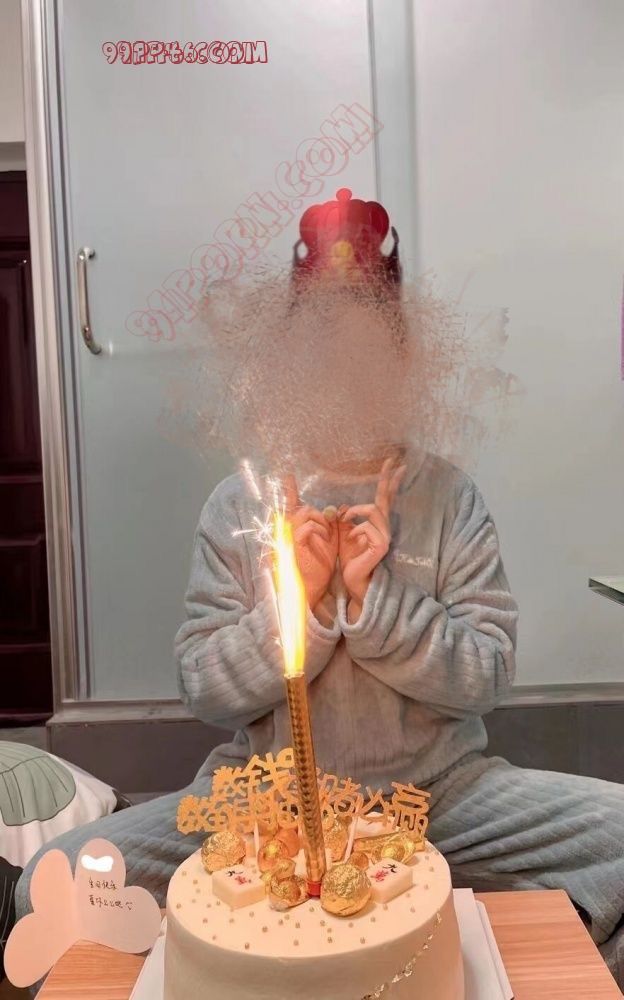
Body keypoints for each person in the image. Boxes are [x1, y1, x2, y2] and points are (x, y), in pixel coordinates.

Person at [15, 193, 624, 990]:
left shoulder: (449, 498)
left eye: (366, 337)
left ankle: (520, 967)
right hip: (258, 805)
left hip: (441, 795)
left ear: (405, 353)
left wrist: (377, 606)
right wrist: (294, 605)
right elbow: (205, 688)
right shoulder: (240, 505)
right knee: (53, 884)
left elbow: (488, 677)